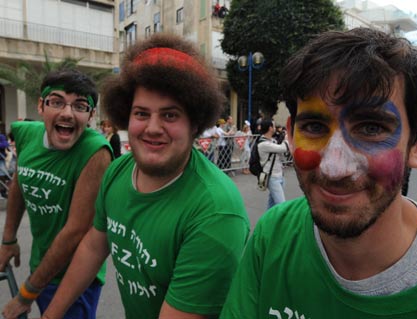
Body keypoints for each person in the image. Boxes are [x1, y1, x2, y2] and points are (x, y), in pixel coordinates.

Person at [220, 28, 417, 318]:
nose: (334, 168)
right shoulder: (273, 234)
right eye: (314, 127)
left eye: (371, 128)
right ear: (290, 135)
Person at [42, 33, 249, 319]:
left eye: (170, 115)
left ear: (195, 123)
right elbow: (93, 246)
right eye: (141, 113)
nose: (152, 127)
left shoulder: (215, 212)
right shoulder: (118, 171)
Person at [0, 69, 113, 319]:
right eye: (57, 101)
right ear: (41, 106)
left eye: (80, 106)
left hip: (74, 278)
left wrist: (25, 294)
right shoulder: (26, 133)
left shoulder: (96, 152)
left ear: (91, 116)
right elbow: (21, 179)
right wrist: (9, 240)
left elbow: (75, 231)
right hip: (40, 266)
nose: (67, 113)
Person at [257, 120, 289, 209]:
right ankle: (282, 222)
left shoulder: (272, 141)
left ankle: (266, 221)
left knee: (272, 205)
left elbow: (281, 155)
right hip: (272, 177)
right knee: (282, 205)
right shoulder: (263, 144)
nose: (276, 128)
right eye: (274, 126)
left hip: (279, 175)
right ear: (270, 128)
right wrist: (286, 139)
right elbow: (283, 148)